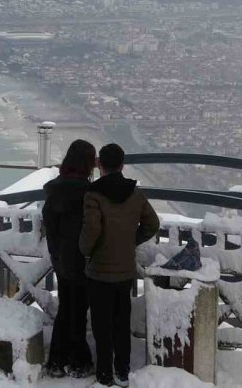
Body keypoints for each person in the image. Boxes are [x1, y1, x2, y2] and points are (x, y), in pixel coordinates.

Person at [80, 143, 160, 387]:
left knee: (101, 324)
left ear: (99, 165)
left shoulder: (93, 195)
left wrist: (86, 250)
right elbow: (153, 224)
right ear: (122, 165)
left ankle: (104, 373)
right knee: (121, 322)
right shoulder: (135, 194)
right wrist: (131, 240)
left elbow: (91, 231)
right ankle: (122, 371)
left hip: (99, 272)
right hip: (125, 271)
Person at [42, 139, 97, 378]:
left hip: (61, 260)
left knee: (67, 307)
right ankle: (77, 359)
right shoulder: (89, 194)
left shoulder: (53, 190)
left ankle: (58, 359)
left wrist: (56, 253)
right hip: (83, 259)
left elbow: (50, 227)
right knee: (77, 309)